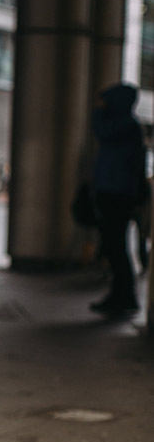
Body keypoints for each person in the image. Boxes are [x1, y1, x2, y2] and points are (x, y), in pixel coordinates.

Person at [89, 82, 144, 317]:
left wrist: (98, 114)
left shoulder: (125, 126)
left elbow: (102, 132)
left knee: (116, 247)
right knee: (114, 247)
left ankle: (125, 297)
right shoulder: (127, 126)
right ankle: (119, 295)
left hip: (118, 194)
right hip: (115, 192)